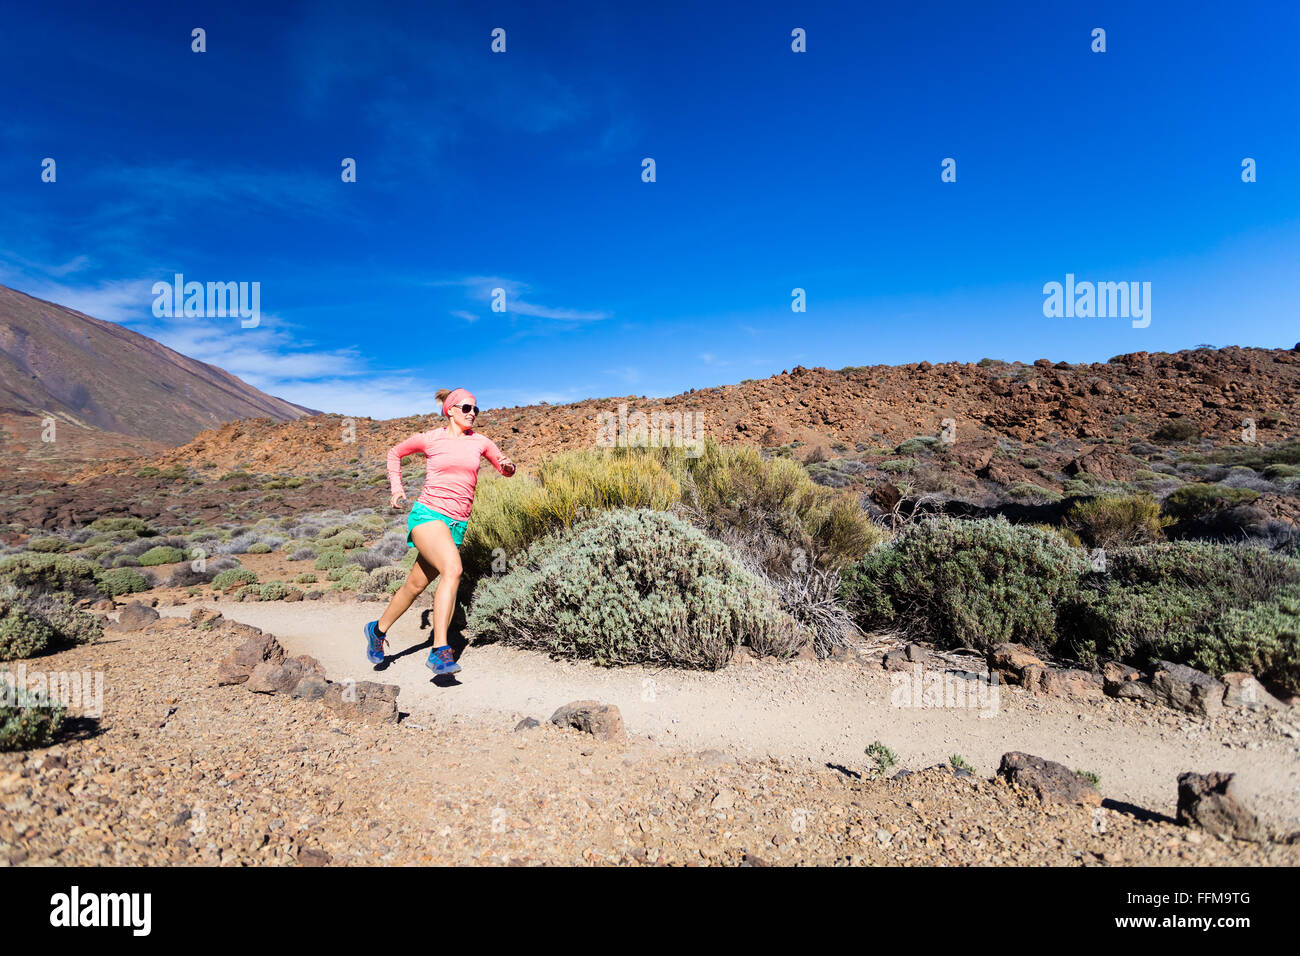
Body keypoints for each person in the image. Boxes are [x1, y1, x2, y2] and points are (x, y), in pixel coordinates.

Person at [363, 387, 515, 675]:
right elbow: (394, 453)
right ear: (451, 410)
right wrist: (397, 489)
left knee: (414, 586)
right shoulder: (430, 439)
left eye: (476, 409)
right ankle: (439, 650)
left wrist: (509, 467)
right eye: (467, 408)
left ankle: (377, 630)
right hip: (428, 516)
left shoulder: (481, 442)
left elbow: (504, 468)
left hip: (456, 525)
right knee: (453, 570)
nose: (473, 414)